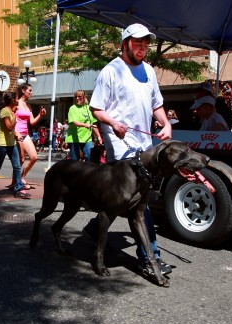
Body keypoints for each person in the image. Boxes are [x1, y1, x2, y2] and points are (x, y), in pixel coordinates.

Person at [85, 23, 173, 277]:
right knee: (139, 205)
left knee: (124, 203)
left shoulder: (148, 71)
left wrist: (165, 123)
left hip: (145, 148)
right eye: (137, 43)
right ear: (124, 44)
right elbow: (97, 108)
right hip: (121, 147)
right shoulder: (111, 71)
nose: (142, 48)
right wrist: (113, 123)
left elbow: (157, 104)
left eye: (146, 43)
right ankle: (150, 257)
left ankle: (94, 228)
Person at [10, 83, 46, 189]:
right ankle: (15, 182)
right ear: (23, 90)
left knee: (34, 157)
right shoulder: (15, 103)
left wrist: (40, 115)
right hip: (17, 134)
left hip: (25, 135)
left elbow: (32, 122)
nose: (31, 92)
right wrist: (15, 132)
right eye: (29, 90)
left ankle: (21, 177)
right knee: (21, 160)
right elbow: (10, 118)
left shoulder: (28, 105)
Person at [65, 90, 99, 162]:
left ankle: (86, 172)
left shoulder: (88, 108)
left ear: (84, 97)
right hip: (74, 138)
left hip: (87, 138)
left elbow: (93, 124)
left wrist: (98, 136)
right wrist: (85, 125)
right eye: (76, 97)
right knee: (74, 160)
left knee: (90, 156)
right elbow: (74, 122)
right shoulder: (72, 108)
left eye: (79, 96)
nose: (77, 98)